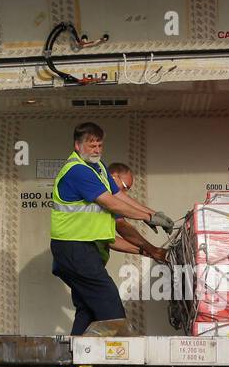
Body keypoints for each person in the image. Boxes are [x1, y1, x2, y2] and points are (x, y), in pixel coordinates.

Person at [50, 122, 174, 335]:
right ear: (77, 146)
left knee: (88, 310)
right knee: (111, 308)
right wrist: (148, 217)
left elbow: (118, 196)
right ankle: (121, 356)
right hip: (74, 249)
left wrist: (152, 215)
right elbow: (111, 203)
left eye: (99, 145)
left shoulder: (98, 168)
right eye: (92, 146)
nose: (97, 150)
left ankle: (73, 361)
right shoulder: (78, 170)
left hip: (81, 251)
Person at [108, 162, 169, 264]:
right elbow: (122, 226)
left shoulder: (108, 202)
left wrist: (148, 250)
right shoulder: (102, 198)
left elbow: (109, 240)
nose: (124, 193)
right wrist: (148, 217)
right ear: (113, 177)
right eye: (124, 187)